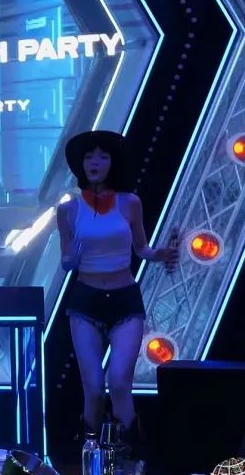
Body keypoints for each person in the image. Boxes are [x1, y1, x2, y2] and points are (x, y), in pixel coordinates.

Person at [56, 131, 177, 440]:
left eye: (102, 157)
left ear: (113, 163)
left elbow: (141, 248)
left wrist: (160, 254)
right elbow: (66, 262)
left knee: (120, 382)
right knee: (94, 388)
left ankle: (130, 455)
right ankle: (91, 455)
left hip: (125, 300)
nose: (94, 163)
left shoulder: (129, 203)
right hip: (86, 301)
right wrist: (74, 255)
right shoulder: (68, 209)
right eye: (89, 157)